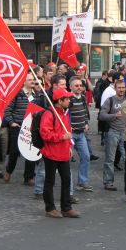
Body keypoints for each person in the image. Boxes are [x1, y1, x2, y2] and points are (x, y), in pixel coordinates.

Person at [40, 88, 80, 218]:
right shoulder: (49, 114)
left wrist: (69, 147)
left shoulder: (63, 113)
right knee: (50, 181)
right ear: (59, 100)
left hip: (63, 153)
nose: (69, 101)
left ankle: (66, 207)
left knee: (66, 180)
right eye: (67, 99)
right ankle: (50, 208)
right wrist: (62, 137)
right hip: (51, 153)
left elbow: (67, 133)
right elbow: (45, 134)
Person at [4, 72, 37, 184]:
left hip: (31, 128)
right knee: (14, 152)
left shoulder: (37, 94)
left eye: (33, 79)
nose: (32, 81)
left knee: (30, 151)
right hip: (17, 126)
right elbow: (7, 110)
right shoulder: (17, 94)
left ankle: (28, 177)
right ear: (24, 82)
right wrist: (11, 122)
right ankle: (9, 170)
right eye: (29, 80)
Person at [69, 76, 93, 192]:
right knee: (66, 159)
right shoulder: (68, 99)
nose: (79, 88)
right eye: (76, 86)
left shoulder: (83, 97)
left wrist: (86, 123)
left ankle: (82, 182)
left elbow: (85, 112)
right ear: (71, 87)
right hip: (71, 134)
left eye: (80, 86)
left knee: (86, 156)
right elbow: (65, 115)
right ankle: (68, 187)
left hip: (81, 133)